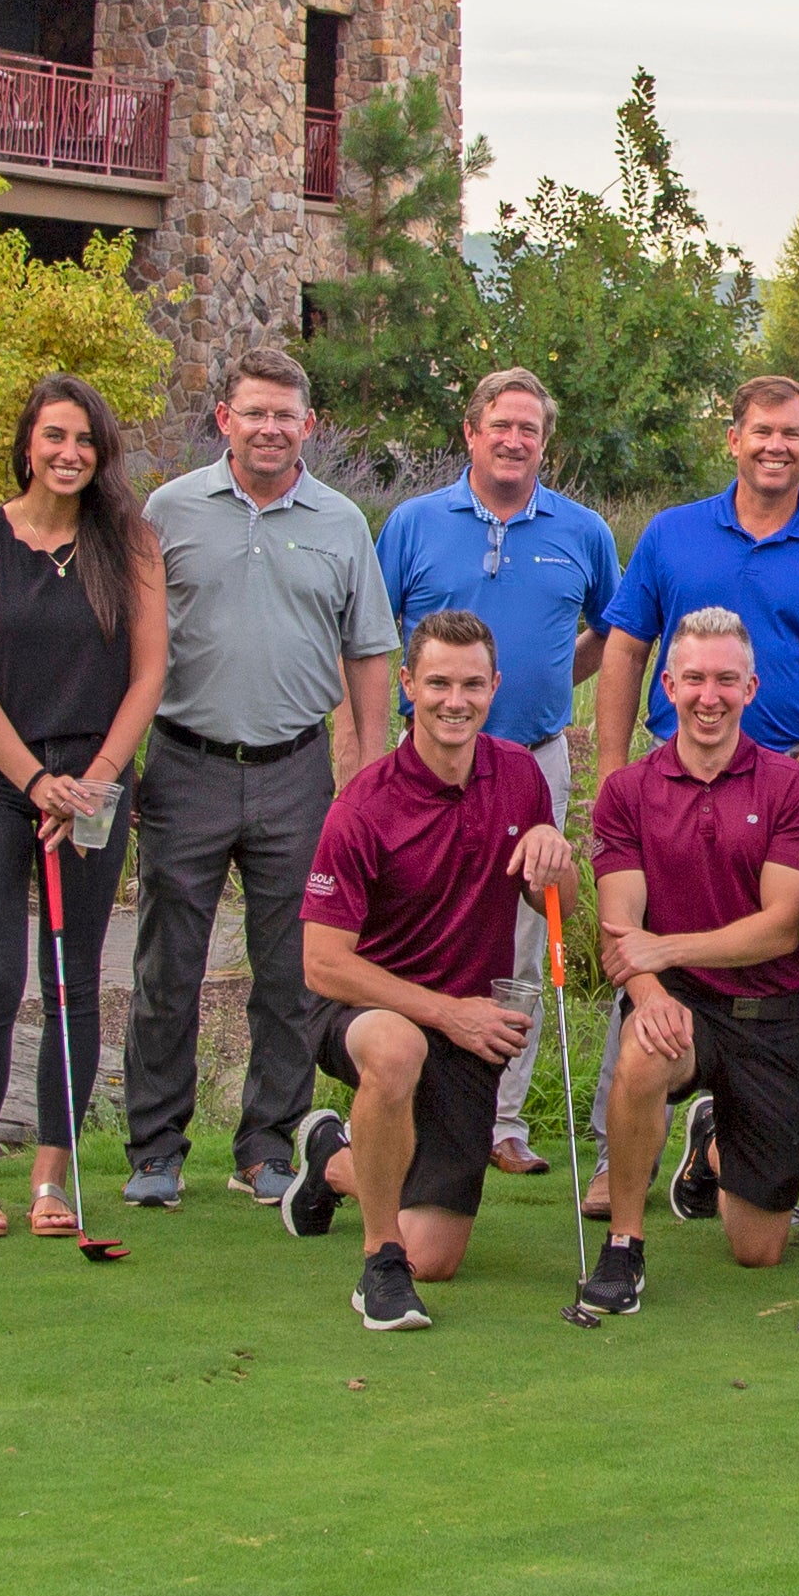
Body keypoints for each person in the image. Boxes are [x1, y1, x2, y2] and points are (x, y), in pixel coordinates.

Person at [128, 350, 399, 1216]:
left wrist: (365, 770)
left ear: (308, 426)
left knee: (292, 972)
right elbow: (132, 644)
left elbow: (369, 651)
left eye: (286, 415)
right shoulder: (168, 512)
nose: (271, 428)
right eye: (255, 413)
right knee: (169, 968)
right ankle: (157, 1150)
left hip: (297, 771)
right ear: (225, 420)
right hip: (186, 764)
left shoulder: (341, 521)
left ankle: (265, 1148)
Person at [290, 613, 580, 1334]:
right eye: (440, 683)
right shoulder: (362, 806)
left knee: (439, 1255)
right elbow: (322, 965)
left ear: (495, 687)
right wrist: (446, 1013)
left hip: (464, 1027)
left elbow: (556, 910)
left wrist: (555, 854)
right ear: (409, 687)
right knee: (399, 1048)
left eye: (473, 684)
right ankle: (378, 1266)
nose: (456, 700)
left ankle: (331, 1156)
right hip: (363, 1009)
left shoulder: (517, 776)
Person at [0, 374, 169, 1248]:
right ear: (27, 443)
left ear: (100, 455)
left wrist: (96, 780)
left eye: (86, 441)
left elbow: (148, 675)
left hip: (94, 784)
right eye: (55, 437)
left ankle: (50, 1176)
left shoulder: (129, 545)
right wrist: (37, 783)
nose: (70, 454)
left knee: (74, 984)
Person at [374, 367, 620, 1175]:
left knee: (526, 934)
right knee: (420, 931)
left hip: (532, 763)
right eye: (501, 426)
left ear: (545, 442)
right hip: (423, 766)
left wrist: (548, 678)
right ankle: (404, 1098)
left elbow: (612, 637)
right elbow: (376, 644)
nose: (515, 441)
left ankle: (499, 1121)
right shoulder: (413, 523)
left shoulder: (582, 531)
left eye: (530, 430)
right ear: (471, 431)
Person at [579, 609, 799, 1316]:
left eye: (726, 679)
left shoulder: (790, 787)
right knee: (642, 1051)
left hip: (771, 1013)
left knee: (758, 1250)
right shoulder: (626, 791)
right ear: (667, 685)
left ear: (752, 687)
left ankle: (711, 1150)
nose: (708, 695)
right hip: (680, 1005)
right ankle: (625, 1247)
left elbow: (780, 929)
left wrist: (663, 949)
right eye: (693, 678)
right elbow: (619, 928)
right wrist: (649, 990)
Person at [597, 376, 799, 790]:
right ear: (735, 440)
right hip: (673, 770)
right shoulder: (670, 533)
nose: (776, 446)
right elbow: (627, 651)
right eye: (762, 431)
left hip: (789, 774)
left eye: (791, 434)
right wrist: (612, 775)